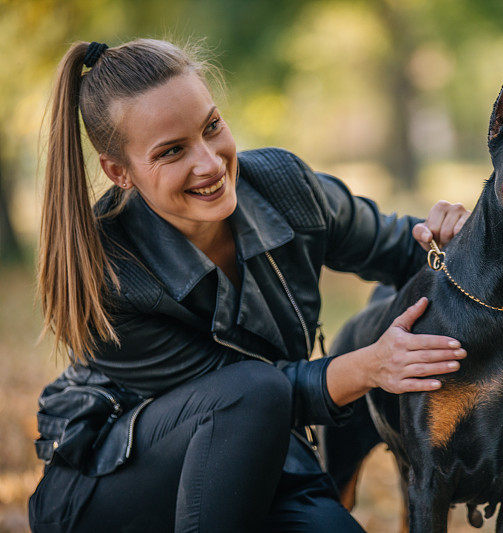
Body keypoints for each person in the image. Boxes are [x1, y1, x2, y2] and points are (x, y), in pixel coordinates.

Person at [28, 38, 470, 532]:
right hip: (116, 485)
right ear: (118, 171)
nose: (211, 164)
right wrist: (368, 366)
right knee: (252, 391)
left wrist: (454, 238)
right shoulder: (104, 273)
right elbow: (250, 399)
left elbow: (398, 248)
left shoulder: (284, 185)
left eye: (211, 127)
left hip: (270, 463)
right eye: (172, 151)